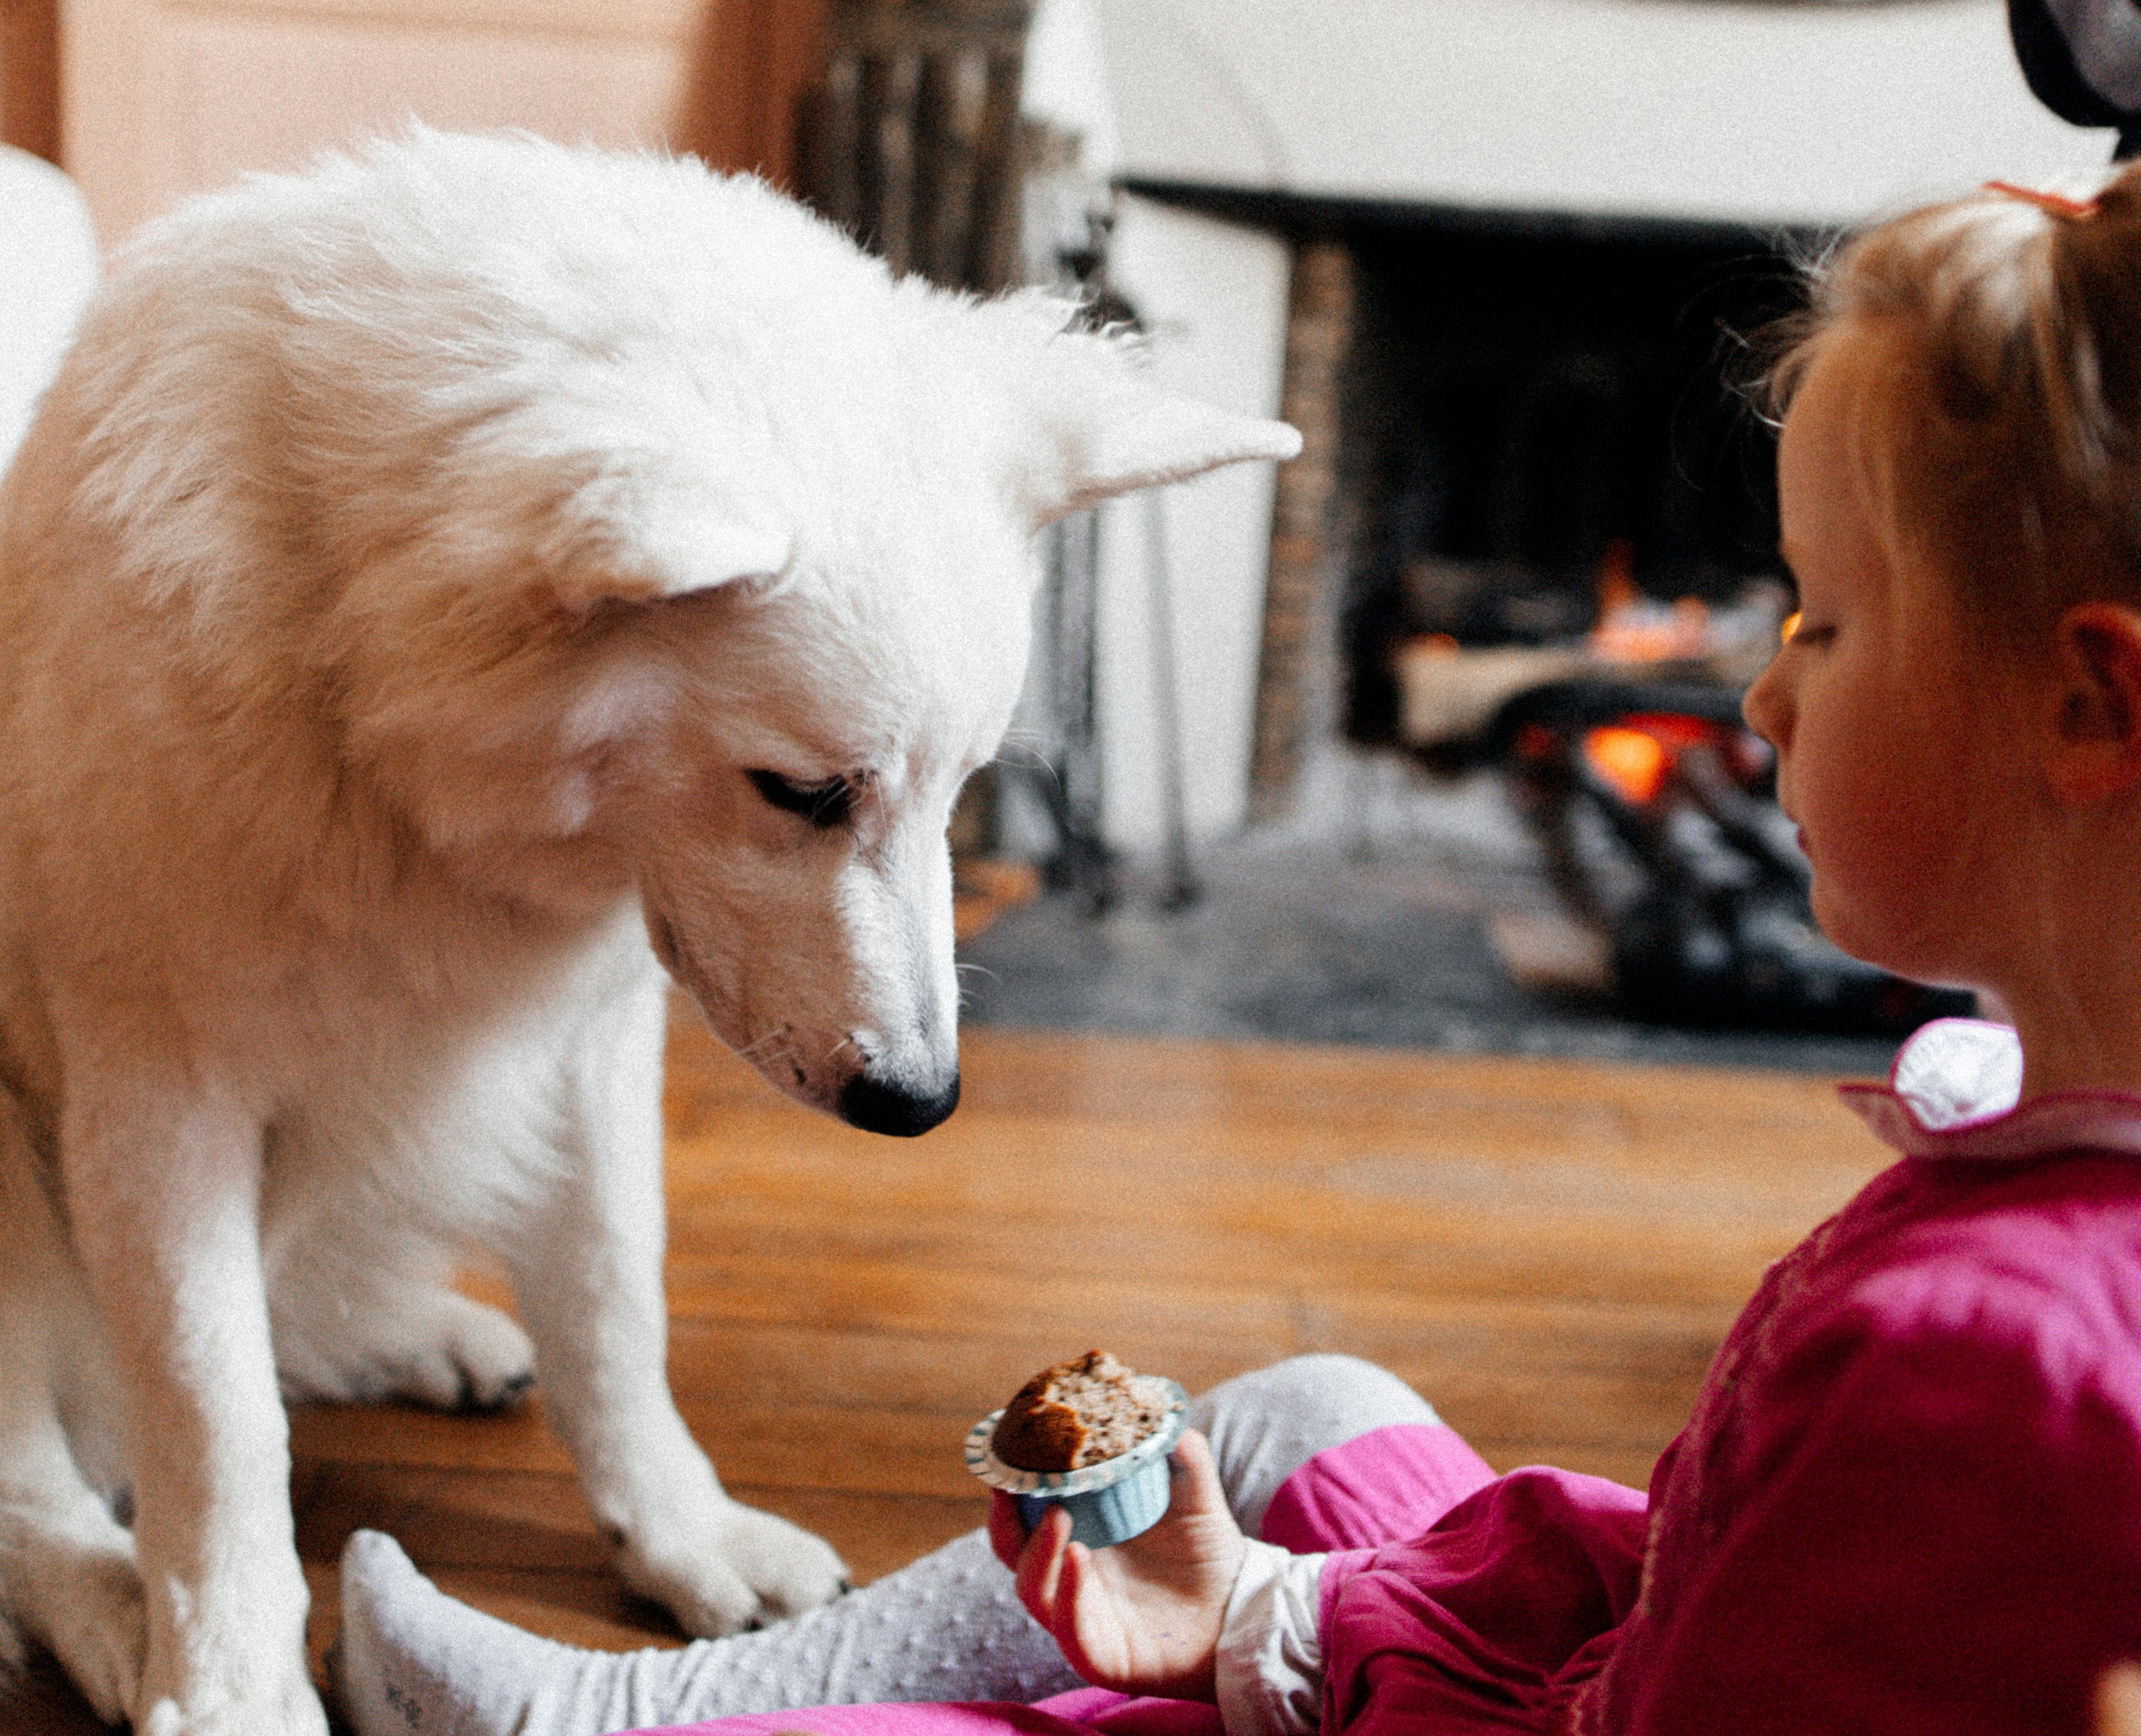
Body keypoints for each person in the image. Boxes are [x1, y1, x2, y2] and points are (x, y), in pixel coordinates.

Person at [336, 164, 2141, 1736]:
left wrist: (1281, 1673)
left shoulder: (1965, 1369)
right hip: (1581, 1658)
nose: (1757, 693)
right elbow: (1698, 1581)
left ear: (2085, 702)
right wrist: (1284, 1612)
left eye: (1823, 622)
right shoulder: (2019, 1169)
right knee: (1318, 1411)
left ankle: (601, 1726)